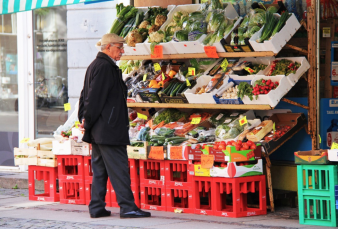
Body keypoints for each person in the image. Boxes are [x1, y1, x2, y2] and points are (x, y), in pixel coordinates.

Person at [78, 33, 151, 219]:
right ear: (108, 47)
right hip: (108, 129)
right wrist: (87, 120)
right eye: (119, 47)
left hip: (101, 129)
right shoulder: (104, 67)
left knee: (100, 171)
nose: (122, 51)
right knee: (119, 169)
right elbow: (92, 99)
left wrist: (86, 121)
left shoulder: (97, 65)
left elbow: (84, 94)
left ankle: (97, 207)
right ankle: (128, 207)